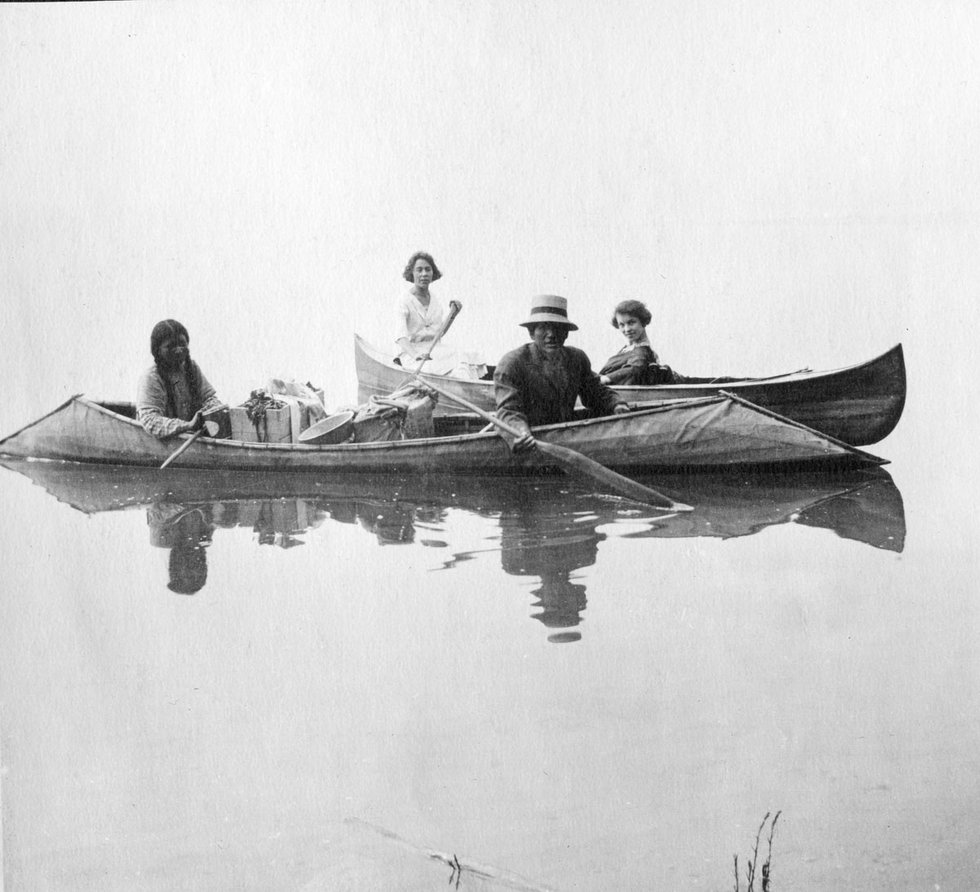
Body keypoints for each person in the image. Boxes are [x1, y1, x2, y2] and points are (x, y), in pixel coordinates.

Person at [494, 295, 629, 452]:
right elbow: (508, 410)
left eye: (557, 328)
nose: (551, 334)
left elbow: (595, 392)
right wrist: (519, 433)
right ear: (531, 333)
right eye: (543, 327)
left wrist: (616, 404)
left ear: (566, 333)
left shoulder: (577, 358)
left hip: (564, 435)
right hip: (531, 438)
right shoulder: (512, 363)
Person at [137, 319, 225, 439]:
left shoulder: (192, 368)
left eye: (182, 344)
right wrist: (188, 425)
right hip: (172, 437)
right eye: (170, 346)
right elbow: (150, 421)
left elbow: (209, 398)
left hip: (191, 435)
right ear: (157, 351)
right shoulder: (151, 377)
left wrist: (214, 412)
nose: (178, 350)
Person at [394, 251, 453, 371]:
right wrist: (416, 356)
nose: (424, 274)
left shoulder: (434, 300)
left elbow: (439, 333)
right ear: (412, 273)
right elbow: (401, 337)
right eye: (419, 270)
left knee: (467, 357)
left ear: (433, 273)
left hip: (434, 350)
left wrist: (453, 315)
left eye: (428, 269)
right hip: (411, 352)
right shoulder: (403, 300)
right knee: (431, 368)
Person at [598, 299, 678, 385]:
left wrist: (606, 378)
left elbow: (636, 368)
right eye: (622, 325)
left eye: (631, 323)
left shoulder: (642, 351)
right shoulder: (628, 348)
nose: (627, 329)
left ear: (643, 322)